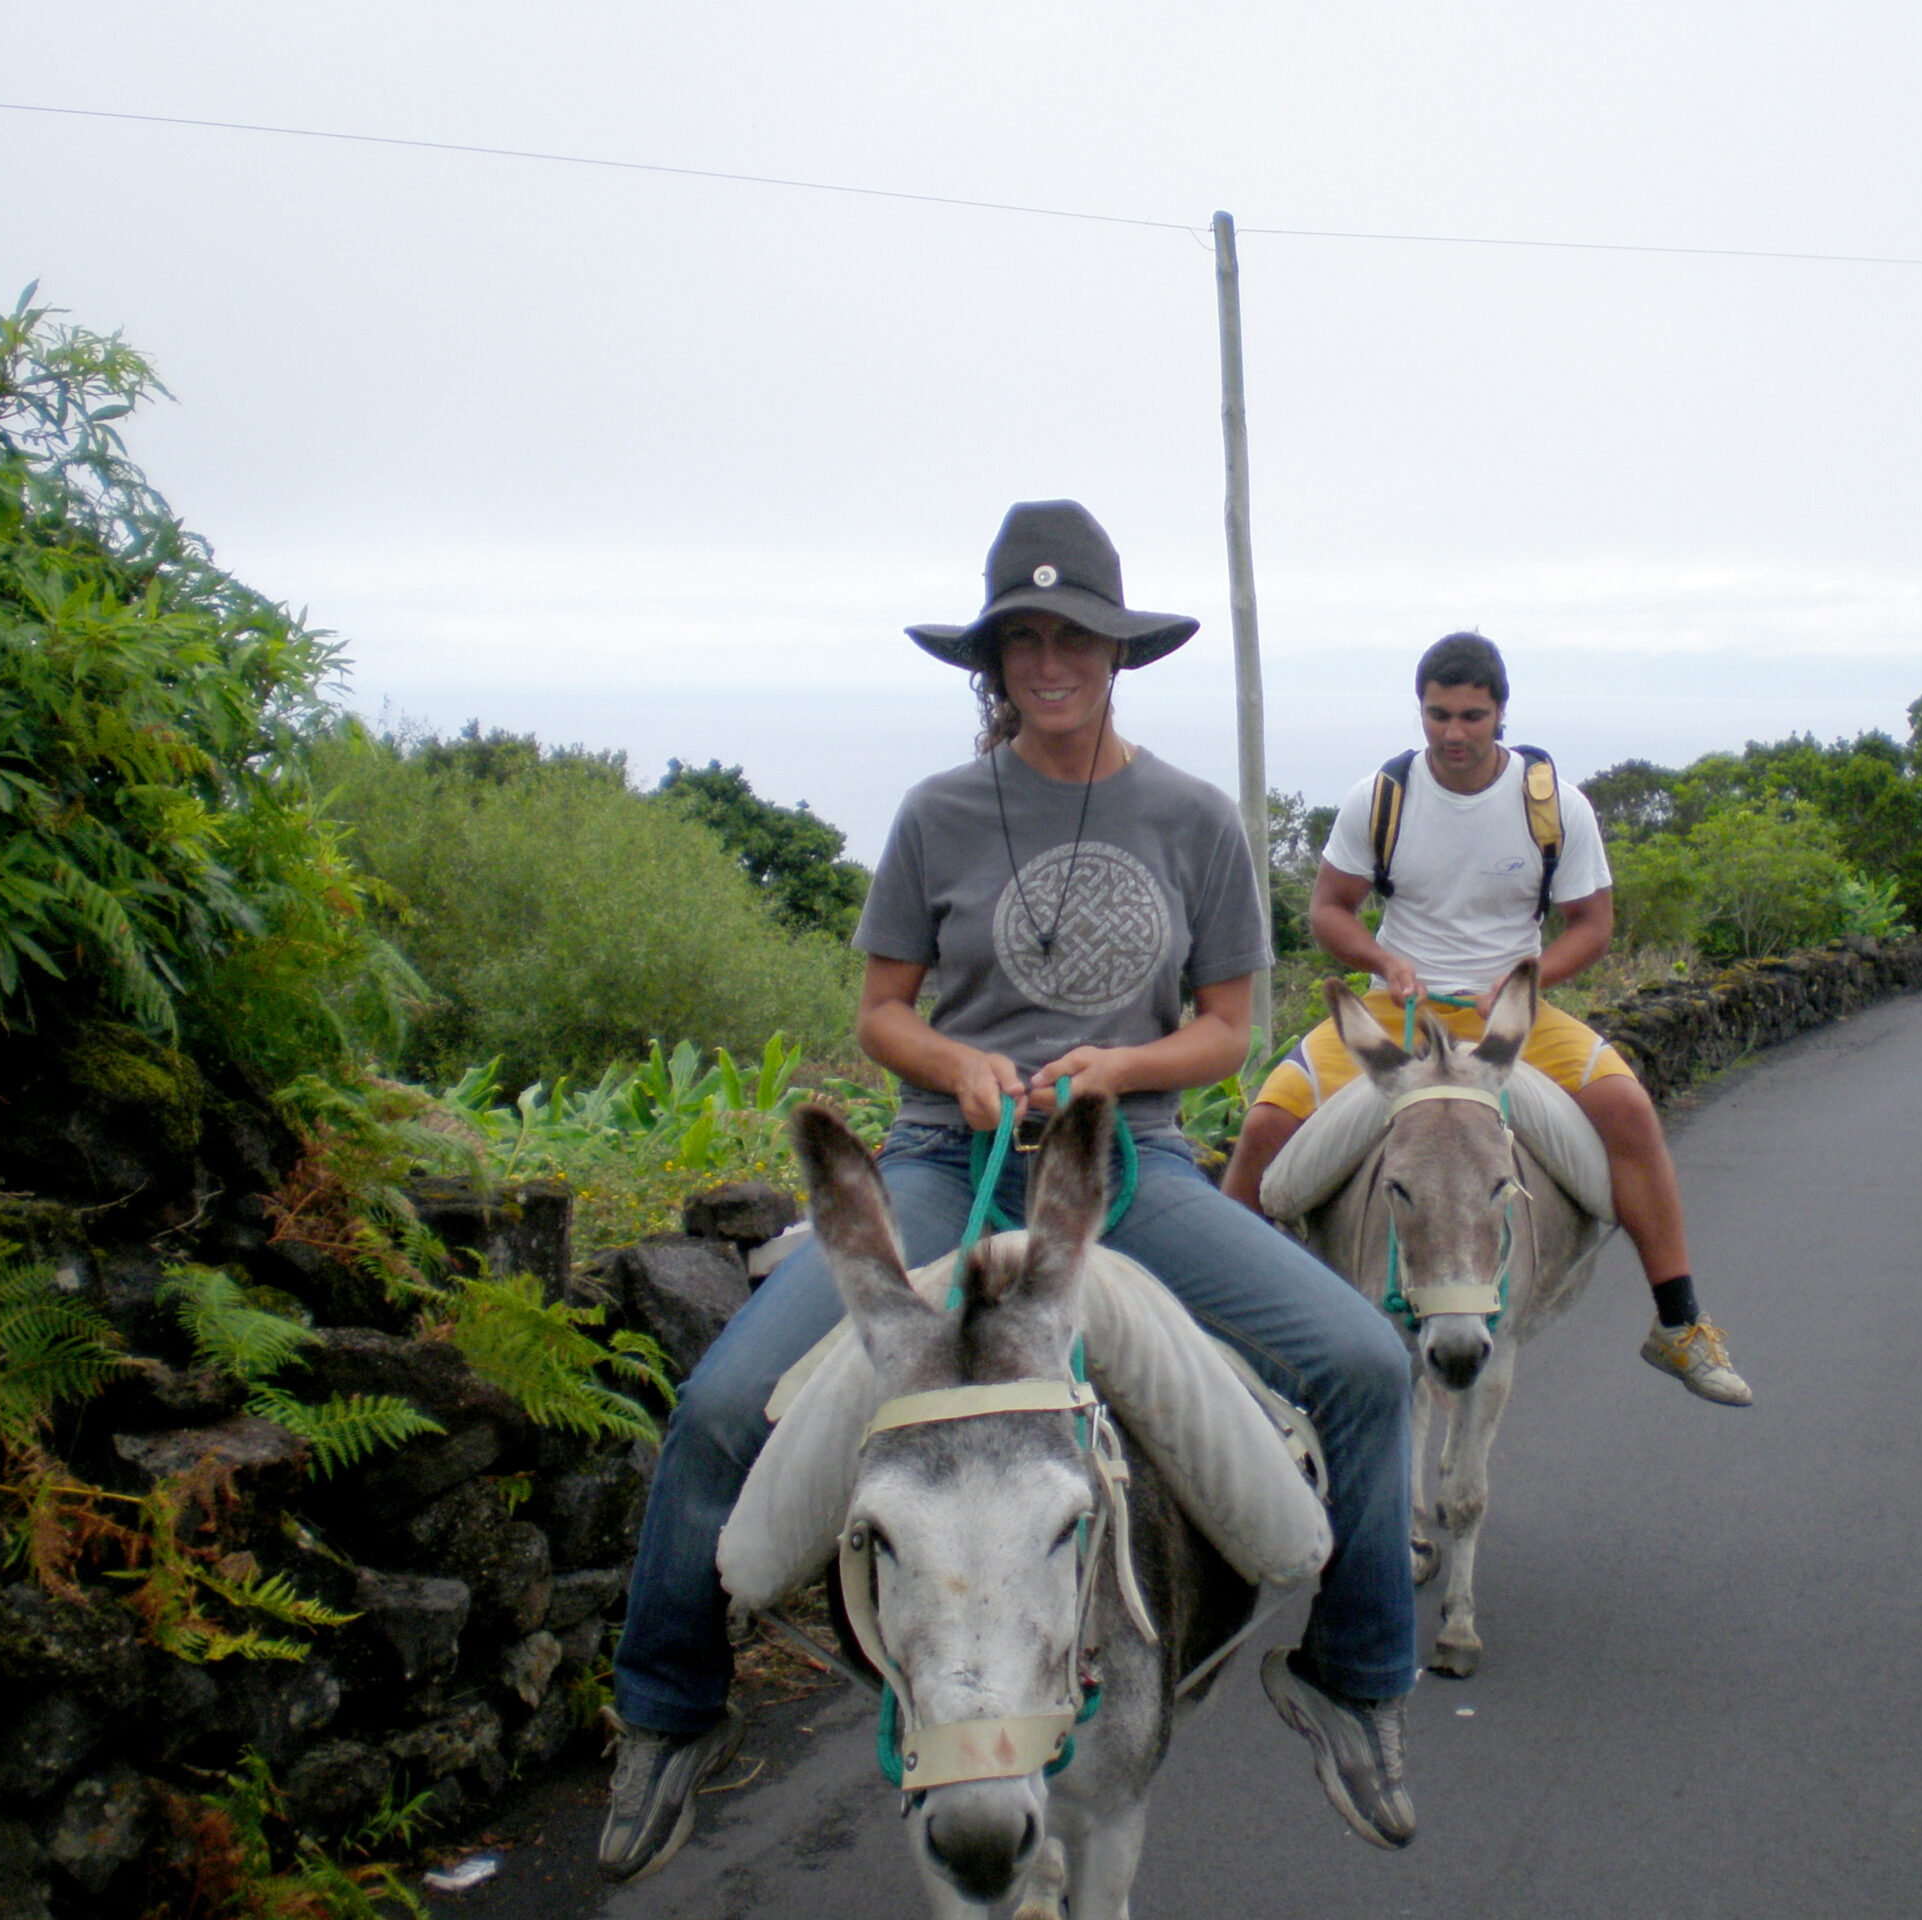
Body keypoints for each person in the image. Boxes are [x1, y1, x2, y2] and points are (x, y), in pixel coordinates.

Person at [598, 500, 1420, 1884]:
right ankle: (667, 1712)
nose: (1050, 662)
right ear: (995, 663)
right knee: (726, 1403)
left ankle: (1354, 1674)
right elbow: (879, 1015)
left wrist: (1120, 1068)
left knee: (1360, 1362)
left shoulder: (1195, 819)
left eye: (1075, 638)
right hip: (940, 1158)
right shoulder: (935, 814)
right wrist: (963, 1068)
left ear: (1116, 653)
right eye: (1023, 640)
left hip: (1129, 1165)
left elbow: (1228, 1025)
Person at [1223, 632, 1753, 1407]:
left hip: (1509, 1015)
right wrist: (1385, 960)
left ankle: (1679, 1322)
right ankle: (1219, 1321)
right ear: (1421, 712)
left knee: (1628, 1109)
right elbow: (1329, 911)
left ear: (1501, 713)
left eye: (1472, 715)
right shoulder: (1383, 798)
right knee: (1268, 1121)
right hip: (1396, 1010)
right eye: (1438, 715)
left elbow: (1591, 923)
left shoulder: (1552, 804)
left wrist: (1528, 978)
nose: (1453, 733)